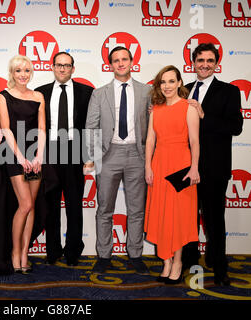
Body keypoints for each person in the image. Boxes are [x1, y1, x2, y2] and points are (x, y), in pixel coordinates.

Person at [85, 46, 151, 274]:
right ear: (110, 65)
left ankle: (135, 255)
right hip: (108, 154)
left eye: (124, 59)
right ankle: (104, 256)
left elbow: (154, 127)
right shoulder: (99, 93)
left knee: (137, 209)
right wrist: (91, 157)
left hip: (137, 154)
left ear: (132, 61)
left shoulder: (147, 92)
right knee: (104, 208)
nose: (121, 63)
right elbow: (91, 126)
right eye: (116, 60)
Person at [182, 43, 244, 286]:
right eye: (200, 60)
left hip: (214, 168)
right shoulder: (183, 89)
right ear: (193, 63)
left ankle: (219, 265)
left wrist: (204, 116)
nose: (205, 64)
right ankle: (188, 257)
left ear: (217, 63)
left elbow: (235, 127)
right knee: (186, 217)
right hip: (185, 166)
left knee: (214, 219)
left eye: (209, 60)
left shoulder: (229, 91)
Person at [0, 55, 45, 275]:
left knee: (32, 206)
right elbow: (6, 130)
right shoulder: (4, 96)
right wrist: (21, 158)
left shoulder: (39, 97)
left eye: (26, 70)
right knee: (24, 204)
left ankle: (25, 253)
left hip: (35, 156)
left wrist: (38, 157)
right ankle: (14, 253)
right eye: (18, 71)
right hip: (13, 155)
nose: (23, 74)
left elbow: (43, 130)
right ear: (12, 73)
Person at [34, 52, 93, 266]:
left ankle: (73, 251)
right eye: (59, 65)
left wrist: (90, 156)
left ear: (73, 69)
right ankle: (52, 250)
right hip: (49, 151)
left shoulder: (87, 93)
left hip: (75, 150)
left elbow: (91, 126)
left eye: (67, 66)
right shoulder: (40, 93)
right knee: (50, 204)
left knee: (74, 204)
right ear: (52, 67)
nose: (62, 69)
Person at [144, 65, 200, 284]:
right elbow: (150, 140)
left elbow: (195, 141)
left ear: (179, 83)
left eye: (171, 81)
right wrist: (148, 166)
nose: (167, 86)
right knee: (160, 214)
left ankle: (177, 262)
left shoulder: (189, 107)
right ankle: (165, 261)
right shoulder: (155, 109)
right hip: (159, 164)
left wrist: (194, 167)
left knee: (178, 216)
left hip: (181, 166)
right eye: (163, 82)